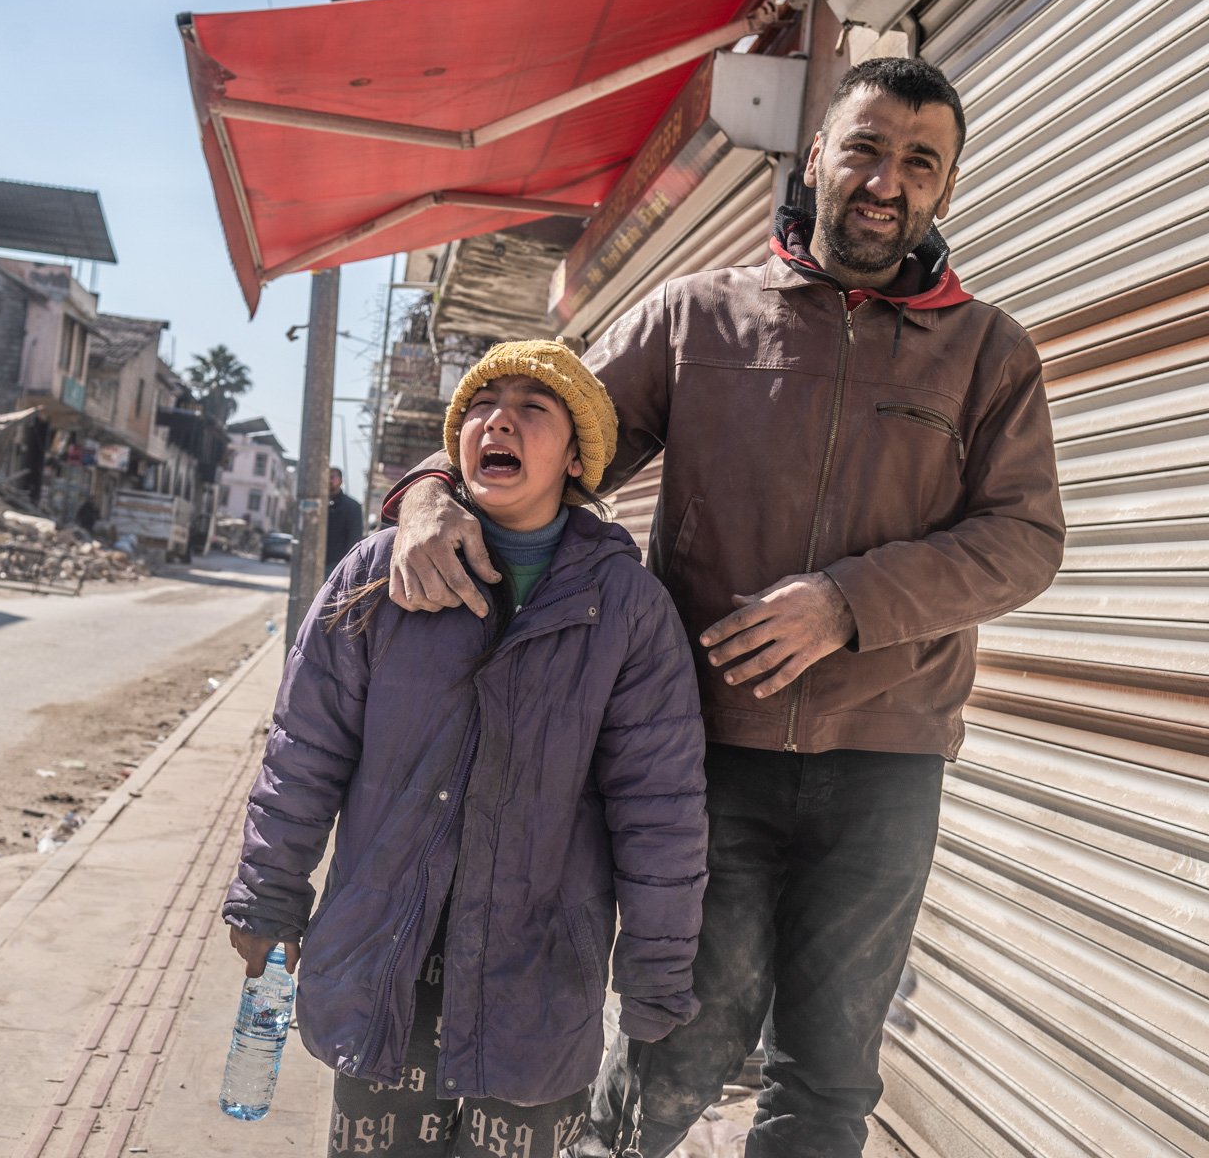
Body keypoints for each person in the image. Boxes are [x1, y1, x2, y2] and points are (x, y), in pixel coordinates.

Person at [383, 58, 1065, 1156]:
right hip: (709, 754)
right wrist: (427, 493)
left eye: (919, 162)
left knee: (831, 1073)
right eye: (867, 147)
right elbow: (538, 433)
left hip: (887, 763)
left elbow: (1026, 539)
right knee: (679, 1042)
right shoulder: (696, 316)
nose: (888, 179)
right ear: (816, 159)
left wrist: (846, 604)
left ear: (944, 190)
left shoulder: (990, 352)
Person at [225, 341, 711, 1157]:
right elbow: (304, 752)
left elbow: (660, 805)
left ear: (577, 454)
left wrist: (658, 965)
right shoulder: (377, 577)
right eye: (483, 405)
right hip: (387, 965)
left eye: (534, 408)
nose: (500, 420)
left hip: (539, 983)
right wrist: (269, 896)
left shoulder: (627, 608)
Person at [325, 465, 363, 573]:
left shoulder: (352, 506)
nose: (329, 480)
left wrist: (347, 562)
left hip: (337, 563)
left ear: (340, 480)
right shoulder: (319, 504)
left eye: (332, 477)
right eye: (326, 477)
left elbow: (355, 537)